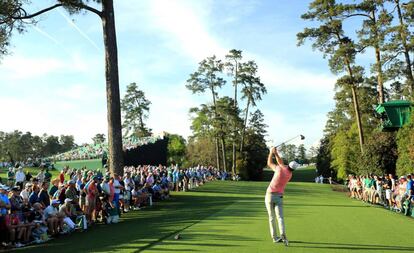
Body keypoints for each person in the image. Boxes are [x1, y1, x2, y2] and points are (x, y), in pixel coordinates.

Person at [265, 147, 299, 246]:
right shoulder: (289, 175)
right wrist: (276, 153)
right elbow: (281, 162)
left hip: (269, 196)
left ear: (288, 165)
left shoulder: (279, 169)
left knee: (271, 218)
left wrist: (271, 153)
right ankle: (283, 235)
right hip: (279, 197)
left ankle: (275, 238)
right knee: (280, 218)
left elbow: (269, 163)